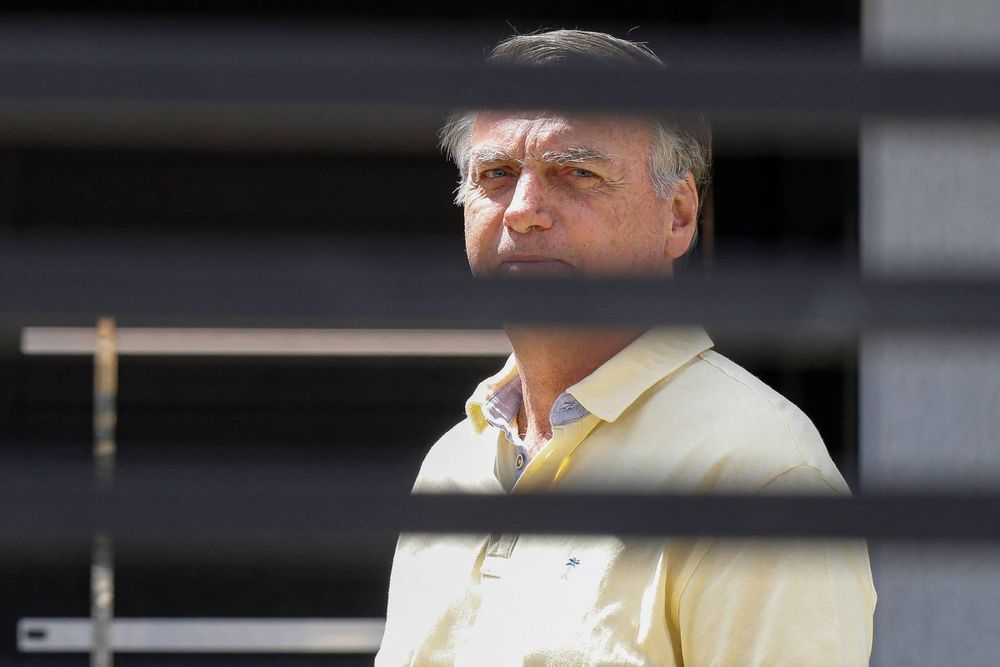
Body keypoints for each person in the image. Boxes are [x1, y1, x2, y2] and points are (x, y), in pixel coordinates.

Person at [376, 29, 876, 666]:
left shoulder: (757, 477)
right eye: (496, 174)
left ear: (679, 216)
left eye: (577, 174)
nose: (523, 210)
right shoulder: (454, 464)